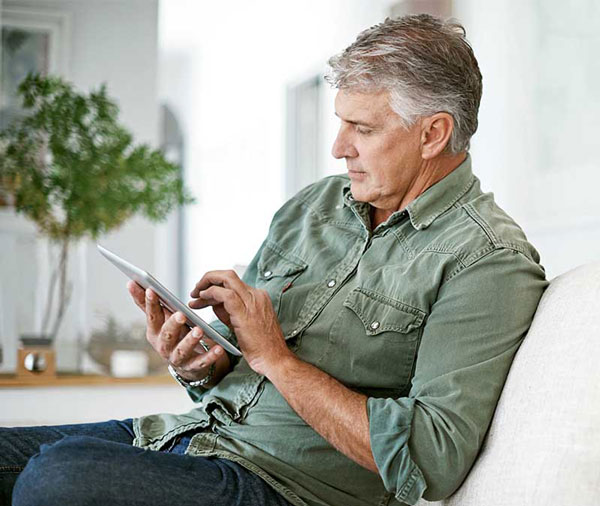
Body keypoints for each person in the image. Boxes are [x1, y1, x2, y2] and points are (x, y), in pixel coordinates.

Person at [0, 14, 548, 506]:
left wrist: (278, 361)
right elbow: (239, 359)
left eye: (362, 128)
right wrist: (200, 362)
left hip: (285, 485)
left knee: (59, 479)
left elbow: (432, 458)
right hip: (190, 433)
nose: (339, 147)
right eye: (341, 122)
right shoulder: (316, 207)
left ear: (433, 134)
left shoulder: (487, 261)